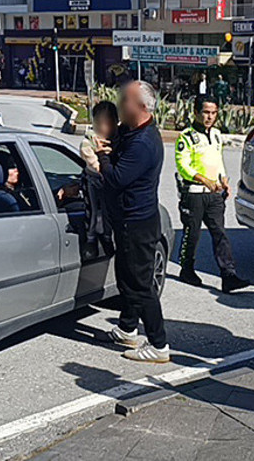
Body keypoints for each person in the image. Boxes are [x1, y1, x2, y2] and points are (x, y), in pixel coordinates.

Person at [95, 81, 170, 363]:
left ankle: (159, 344)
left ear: (139, 107)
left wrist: (102, 156)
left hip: (137, 223)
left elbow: (115, 179)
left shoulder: (143, 143)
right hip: (127, 221)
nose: (118, 104)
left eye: (123, 100)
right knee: (125, 276)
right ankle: (128, 327)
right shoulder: (131, 131)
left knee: (140, 284)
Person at [175, 95, 249, 293]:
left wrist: (223, 178)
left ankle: (228, 275)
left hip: (215, 195)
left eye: (213, 113)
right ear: (196, 113)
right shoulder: (187, 137)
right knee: (193, 233)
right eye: (206, 112)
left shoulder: (216, 134)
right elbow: (183, 165)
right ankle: (187, 269)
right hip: (195, 193)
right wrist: (204, 179)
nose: (210, 117)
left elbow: (218, 160)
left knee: (220, 234)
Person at [79, 101, 118, 257]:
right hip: (93, 180)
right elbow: (96, 166)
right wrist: (103, 157)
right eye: (100, 123)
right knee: (94, 212)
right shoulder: (88, 142)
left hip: (108, 182)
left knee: (108, 213)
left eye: (108, 123)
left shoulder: (117, 140)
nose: (104, 128)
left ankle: (107, 237)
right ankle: (91, 240)